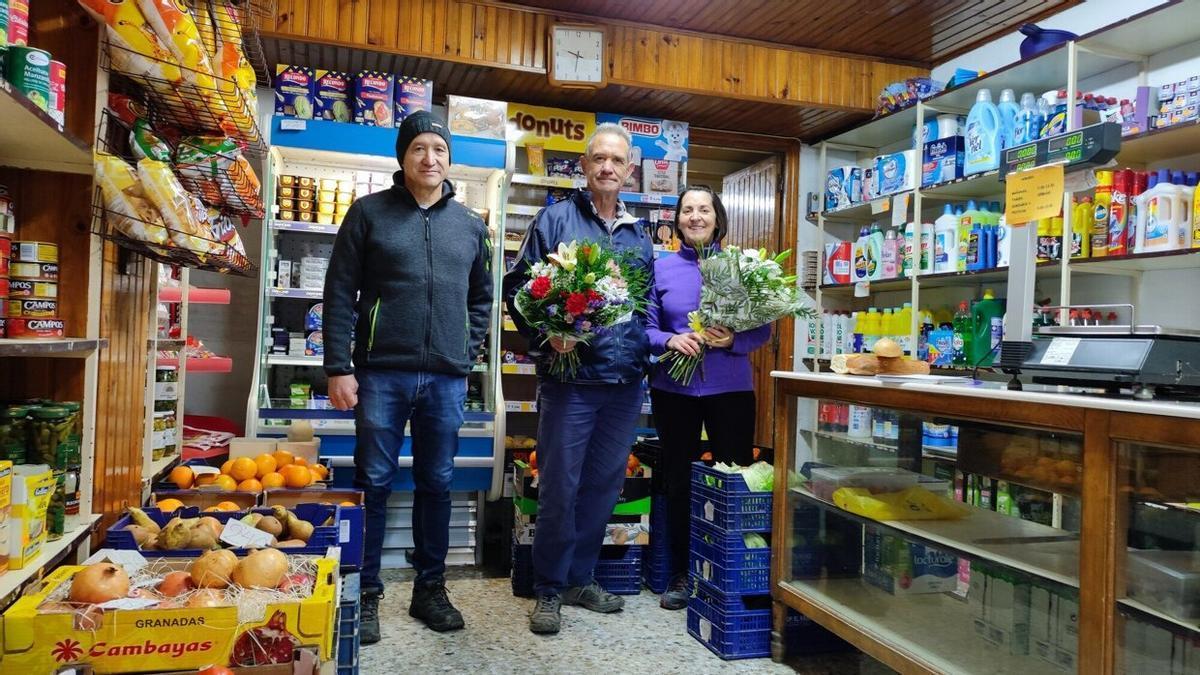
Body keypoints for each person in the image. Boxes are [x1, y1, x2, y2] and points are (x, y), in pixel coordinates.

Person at [323, 110, 493, 642]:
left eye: (439, 150)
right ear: (403, 156)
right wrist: (338, 368)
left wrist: (465, 352)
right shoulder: (368, 214)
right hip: (380, 376)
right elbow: (338, 293)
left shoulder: (469, 226)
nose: (430, 158)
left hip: (445, 379)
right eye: (419, 148)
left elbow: (482, 298)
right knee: (372, 482)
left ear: (449, 159)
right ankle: (364, 592)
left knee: (436, 483)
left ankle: (430, 589)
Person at [502, 123, 654, 635]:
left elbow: (645, 304)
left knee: (603, 487)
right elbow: (519, 288)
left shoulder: (640, 232)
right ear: (584, 167)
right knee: (560, 488)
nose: (608, 168)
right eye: (599, 159)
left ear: (629, 170)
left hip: (624, 382)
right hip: (570, 381)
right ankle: (548, 588)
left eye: (617, 161)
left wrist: (651, 351)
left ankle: (580, 577)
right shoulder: (555, 219)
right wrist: (549, 337)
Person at [644, 185, 771, 610]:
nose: (695, 216)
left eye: (704, 209)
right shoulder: (660, 268)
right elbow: (644, 327)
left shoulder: (741, 267)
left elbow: (763, 329)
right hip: (673, 390)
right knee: (678, 483)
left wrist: (734, 337)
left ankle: (728, 569)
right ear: (676, 220)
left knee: (734, 481)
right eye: (687, 210)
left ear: (718, 218)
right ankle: (682, 573)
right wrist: (670, 339)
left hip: (730, 389)